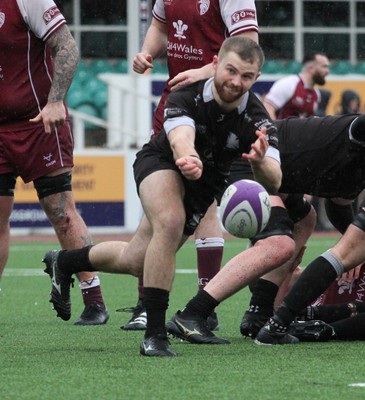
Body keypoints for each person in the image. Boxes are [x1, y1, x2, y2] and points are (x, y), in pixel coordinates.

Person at [42, 36, 282, 357]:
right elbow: (181, 138)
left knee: (136, 260)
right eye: (231, 71)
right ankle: (154, 335)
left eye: (247, 76)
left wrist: (261, 161)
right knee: (169, 222)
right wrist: (188, 156)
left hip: (201, 187)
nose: (236, 82)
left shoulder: (259, 119)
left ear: (256, 77)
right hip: (162, 162)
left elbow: (275, 180)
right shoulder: (185, 95)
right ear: (216, 64)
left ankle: (65, 261)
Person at [165, 113, 365, 344]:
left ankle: (259, 313)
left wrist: (354, 250)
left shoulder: (355, 167)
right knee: (278, 243)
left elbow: (339, 205)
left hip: (275, 175)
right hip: (250, 160)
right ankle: (193, 313)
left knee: (305, 220)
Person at [122, 0, 260, 332]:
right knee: (157, 207)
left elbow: (249, 45)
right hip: (176, 102)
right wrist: (146, 52)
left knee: (205, 204)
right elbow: (160, 26)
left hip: (213, 104)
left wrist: (207, 72)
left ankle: (203, 303)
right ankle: (145, 301)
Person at [0, 0, 109, 325]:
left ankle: (94, 300)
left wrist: (56, 100)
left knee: (61, 212)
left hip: (39, 122)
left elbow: (67, 46)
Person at [263, 52, 330, 120]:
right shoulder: (289, 84)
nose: (328, 71)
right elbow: (267, 108)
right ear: (311, 68)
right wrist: (275, 129)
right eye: (324, 67)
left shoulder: (316, 94)